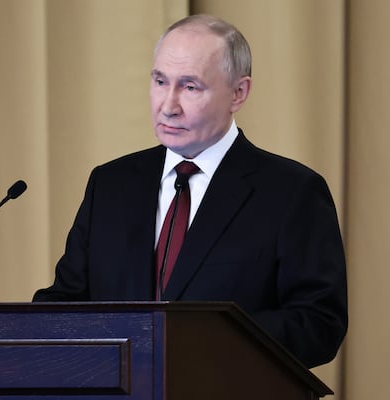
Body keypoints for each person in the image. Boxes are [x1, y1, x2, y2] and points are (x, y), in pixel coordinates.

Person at [33, 14, 347, 369]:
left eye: (190, 87)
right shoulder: (110, 184)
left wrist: (200, 341)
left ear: (238, 93)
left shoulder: (293, 192)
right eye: (160, 81)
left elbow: (319, 325)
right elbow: (67, 301)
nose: (168, 105)